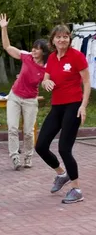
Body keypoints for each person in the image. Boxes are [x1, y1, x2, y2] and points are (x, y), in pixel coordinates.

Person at [35, 24, 90, 204]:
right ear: (53, 40)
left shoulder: (77, 56)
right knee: (41, 146)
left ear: (69, 38)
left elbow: (87, 83)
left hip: (73, 105)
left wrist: (83, 106)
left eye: (65, 37)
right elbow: (46, 77)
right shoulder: (51, 57)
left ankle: (76, 189)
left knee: (64, 148)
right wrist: (46, 83)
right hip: (57, 106)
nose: (62, 40)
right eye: (58, 37)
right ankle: (61, 174)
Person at [0, 13, 50, 170]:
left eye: (37, 49)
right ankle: (14, 157)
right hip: (15, 96)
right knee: (12, 128)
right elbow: (7, 47)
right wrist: (4, 28)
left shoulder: (46, 67)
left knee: (28, 132)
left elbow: (51, 79)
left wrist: (48, 82)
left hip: (30, 100)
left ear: (44, 52)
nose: (33, 51)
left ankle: (28, 157)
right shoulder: (26, 57)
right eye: (33, 48)